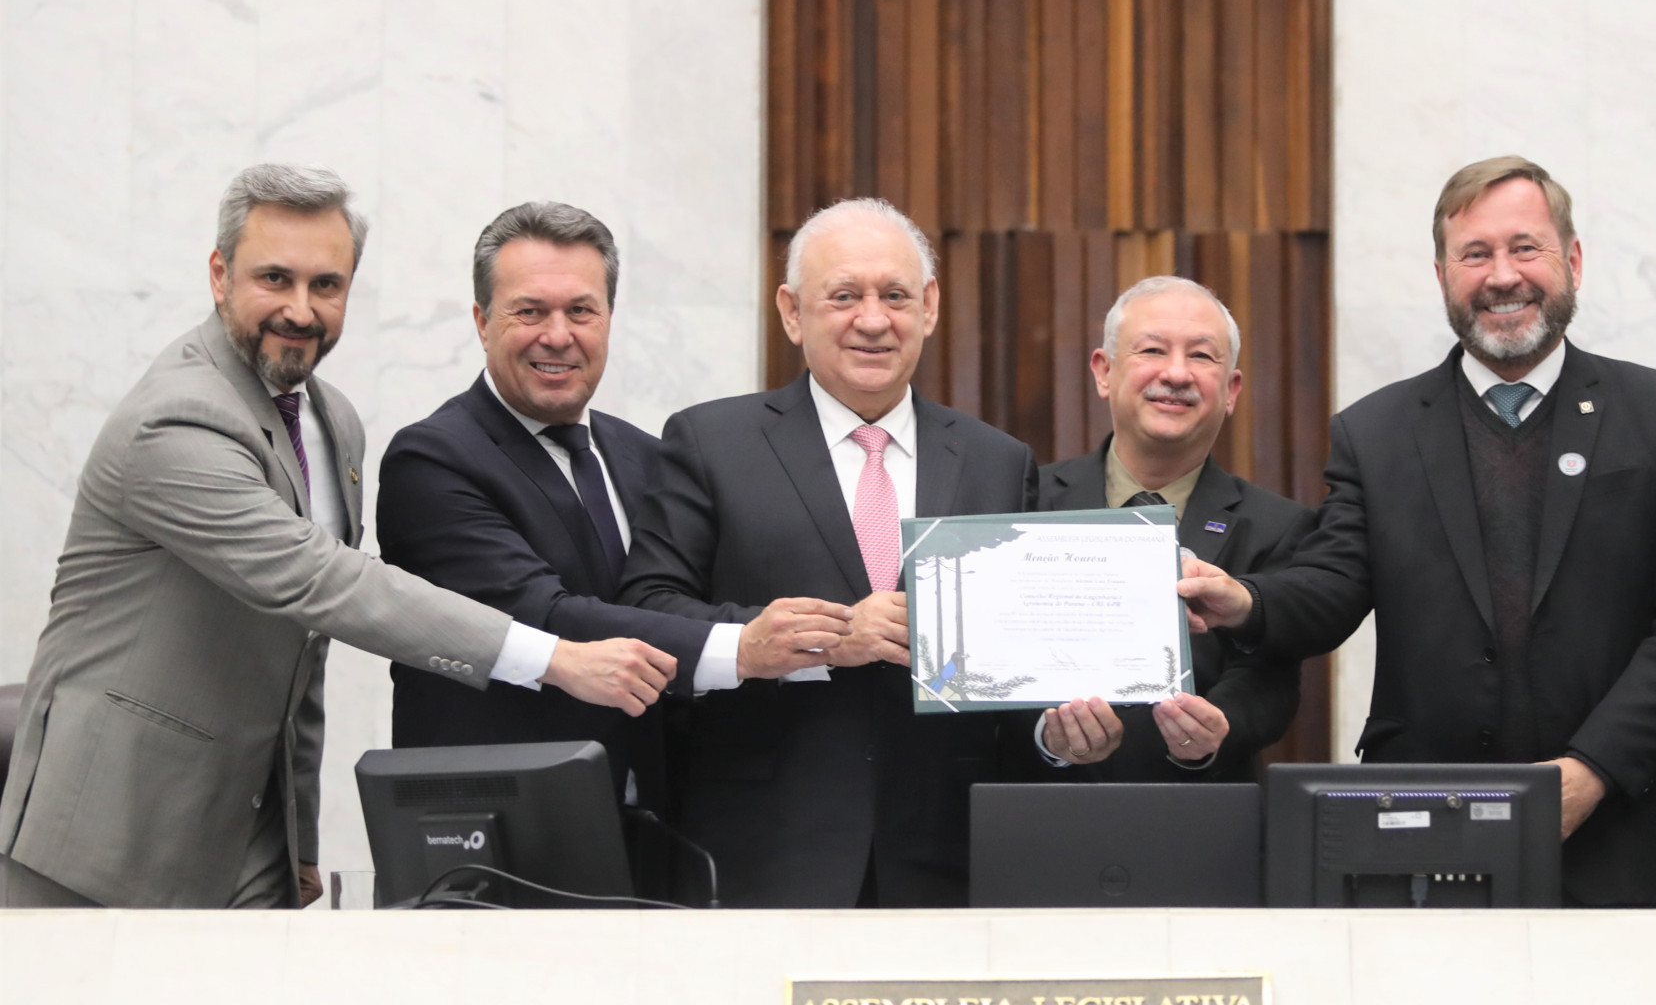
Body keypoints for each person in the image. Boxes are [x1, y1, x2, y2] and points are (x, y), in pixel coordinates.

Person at [0, 166, 677, 909]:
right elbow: (322, 581)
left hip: (251, 836)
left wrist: (302, 835)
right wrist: (556, 658)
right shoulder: (179, 417)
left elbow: (303, 645)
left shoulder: (330, 418)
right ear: (220, 275)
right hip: (103, 833)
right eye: (274, 278)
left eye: (326, 284)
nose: (300, 308)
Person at [1177, 156, 1656, 906]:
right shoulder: (1375, 432)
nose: (1502, 275)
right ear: (1441, 273)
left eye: (1523, 247)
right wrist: (1243, 599)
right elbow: (1336, 582)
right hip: (1424, 841)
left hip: (1620, 832)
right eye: (1474, 254)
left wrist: (1590, 769)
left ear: (1570, 260)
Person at [616, 197, 1036, 907]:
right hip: (763, 851)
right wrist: (787, 641)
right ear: (790, 311)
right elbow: (646, 608)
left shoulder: (999, 461)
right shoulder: (709, 443)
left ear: (928, 307)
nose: (872, 319)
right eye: (843, 296)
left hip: (948, 861)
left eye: (894, 295)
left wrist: (1064, 726)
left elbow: (1021, 647)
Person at [377, 202, 717, 814]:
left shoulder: (648, 456)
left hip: (657, 835)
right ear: (482, 322)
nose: (557, 335)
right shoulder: (430, 460)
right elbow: (542, 616)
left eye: (581, 311)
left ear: (609, 320)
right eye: (529, 311)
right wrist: (742, 648)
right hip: (503, 834)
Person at [1028, 276, 1311, 781]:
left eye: (1202, 357)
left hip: (1204, 819)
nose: (1176, 373)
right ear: (1104, 372)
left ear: (1231, 391)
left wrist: (1212, 730)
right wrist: (1046, 736)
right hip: (1034, 816)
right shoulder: (1025, 502)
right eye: (1153, 350)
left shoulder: (1279, 527)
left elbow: (1269, 677)